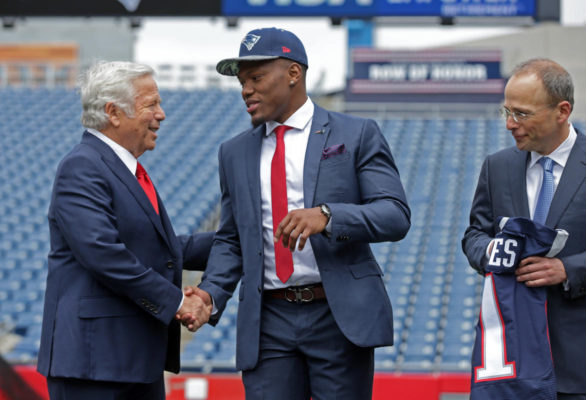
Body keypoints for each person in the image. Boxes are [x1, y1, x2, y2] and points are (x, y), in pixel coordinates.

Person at [183, 27, 411, 399]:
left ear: (293, 73)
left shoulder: (356, 133)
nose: (246, 90)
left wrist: (328, 215)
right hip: (268, 320)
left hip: (336, 317)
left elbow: (395, 214)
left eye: (256, 78)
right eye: (242, 82)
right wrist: (210, 293)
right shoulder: (233, 152)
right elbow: (231, 239)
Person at [37, 61, 214, 400]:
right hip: (94, 367)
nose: (161, 115)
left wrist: (232, 241)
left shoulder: (124, 169)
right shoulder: (83, 166)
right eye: (151, 104)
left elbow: (153, 248)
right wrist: (178, 301)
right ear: (113, 113)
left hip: (133, 360)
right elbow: (103, 253)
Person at [462, 58, 586, 399]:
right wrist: (490, 251)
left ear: (562, 111)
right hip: (511, 365)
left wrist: (568, 269)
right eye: (507, 112)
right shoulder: (497, 167)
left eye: (522, 113)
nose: (510, 124)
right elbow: (474, 235)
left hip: (578, 365)